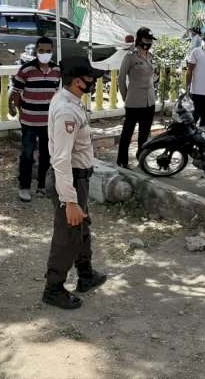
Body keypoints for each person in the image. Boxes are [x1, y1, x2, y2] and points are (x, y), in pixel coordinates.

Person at [42, 56, 107, 310]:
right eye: (90, 79)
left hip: (78, 179)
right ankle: (53, 289)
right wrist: (69, 200)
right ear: (77, 81)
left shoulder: (69, 99)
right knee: (67, 235)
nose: (94, 82)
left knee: (81, 228)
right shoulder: (67, 110)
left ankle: (86, 274)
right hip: (68, 180)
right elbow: (61, 160)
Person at [12, 37, 62, 202]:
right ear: (36, 52)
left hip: (49, 122)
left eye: (48, 51)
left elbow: (57, 93)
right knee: (27, 155)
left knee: (47, 155)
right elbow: (16, 94)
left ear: (52, 51)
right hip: (29, 121)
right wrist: (20, 111)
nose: (45, 54)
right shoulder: (26, 70)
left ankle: (43, 186)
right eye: (42, 51)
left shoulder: (57, 70)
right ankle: (24, 187)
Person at [116, 27, 157, 169]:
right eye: (146, 39)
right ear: (139, 40)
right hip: (134, 102)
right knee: (127, 133)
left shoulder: (151, 56)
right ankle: (122, 161)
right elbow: (121, 78)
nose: (149, 42)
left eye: (150, 40)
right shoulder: (130, 57)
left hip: (149, 102)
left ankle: (142, 159)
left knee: (144, 134)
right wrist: (125, 96)